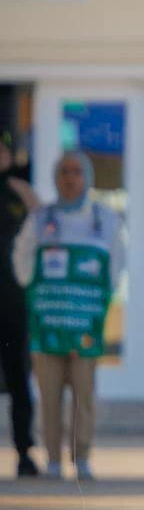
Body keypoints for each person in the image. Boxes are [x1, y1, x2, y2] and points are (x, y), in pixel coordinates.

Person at [13, 151, 125, 481]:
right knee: (48, 396)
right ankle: (51, 459)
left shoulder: (105, 219)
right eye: (64, 172)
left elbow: (115, 266)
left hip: (84, 326)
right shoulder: (40, 219)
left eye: (77, 172)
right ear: (56, 177)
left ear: (87, 178)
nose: (70, 178)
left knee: (83, 396)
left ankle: (83, 457)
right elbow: (22, 259)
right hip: (47, 325)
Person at [0, 135, 40, 476]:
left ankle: (24, 451)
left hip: (13, 300)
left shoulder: (19, 189)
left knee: (18, 380)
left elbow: (41, 223)